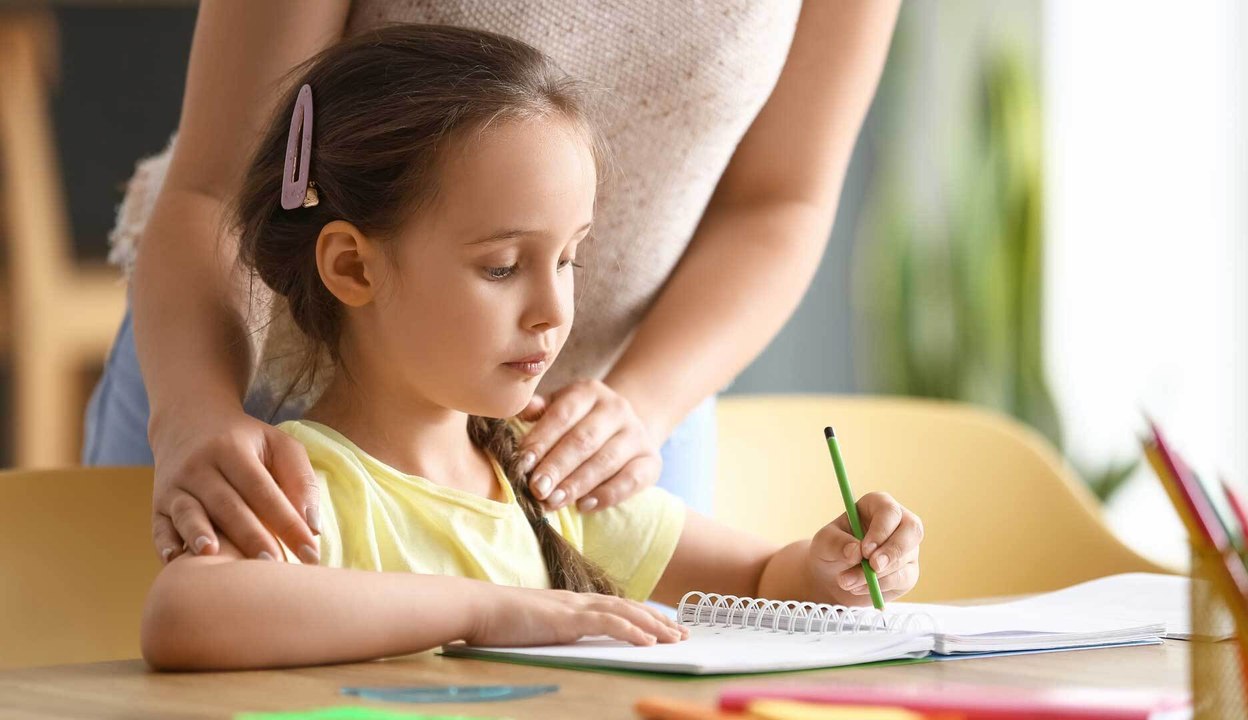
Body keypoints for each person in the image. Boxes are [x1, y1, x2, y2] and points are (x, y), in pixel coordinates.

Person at [139, 24, 922, 670]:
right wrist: (490, 610)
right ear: (351, 265)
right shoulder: (303, 484)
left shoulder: (543, 477)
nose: (554, 312)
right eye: (504, 266)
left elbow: (757, 579)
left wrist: (831, 569)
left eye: (569, 259)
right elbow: (183, 614)